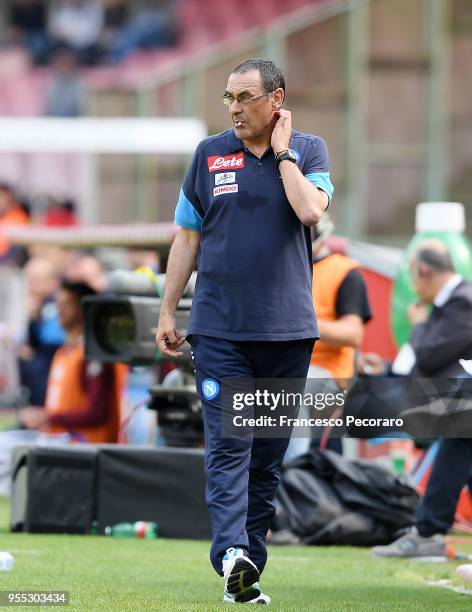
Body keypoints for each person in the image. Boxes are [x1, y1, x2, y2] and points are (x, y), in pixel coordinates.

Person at [155, 58, 334, 604]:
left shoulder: (309, 150)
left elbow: (310, 212)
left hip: (287, 332)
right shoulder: (208, 156)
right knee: (230, 445)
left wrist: (282, 156)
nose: (233, 107)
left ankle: (248, 566)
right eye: (227, 97)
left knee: (267, 456)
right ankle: (231, 554)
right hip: (218, 331)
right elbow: (187, 238)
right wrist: (168, 311)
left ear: (275, 98)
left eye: (245, 97)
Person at [370, 241, 472, 560]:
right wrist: (387, 368)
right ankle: (428, 530)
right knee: (460, 449)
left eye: (413, 278)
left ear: (424, 271)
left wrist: (418, 327)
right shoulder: (452, 304)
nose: (413, 288)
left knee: (458, 445)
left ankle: (428, 531)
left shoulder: (462, 303)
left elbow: (429, 355)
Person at [284, 213, 372, 462]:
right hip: (280, 362)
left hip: (328, 373)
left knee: (290, 388)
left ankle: (293, 474)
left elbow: (353, 333)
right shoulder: (278, 269)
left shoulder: (344, 272)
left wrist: (300, 324)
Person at [18, 280, 125, 443]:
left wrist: (48, 417)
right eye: (58, 304)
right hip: (64, 447)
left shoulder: (94, 355)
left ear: (85, 310)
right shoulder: (64, 352)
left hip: (89, 452)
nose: (60, 310)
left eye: (67, 304)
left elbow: (97, 412)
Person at [18, 257, 66, 405]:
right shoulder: (31, 305)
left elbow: (54, 340)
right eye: (29, 279)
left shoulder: (58, 305)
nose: (32, 284)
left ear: (53, 282)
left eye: (37, 279)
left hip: (54, 379)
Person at [0, 183, 29, 266]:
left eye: (2, 197)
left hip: (7, 266)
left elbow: (16, 253)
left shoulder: (19, 218)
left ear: (9, 199)